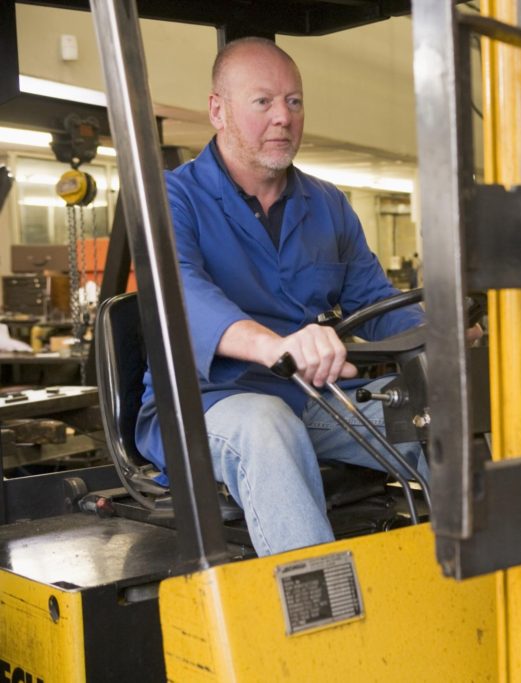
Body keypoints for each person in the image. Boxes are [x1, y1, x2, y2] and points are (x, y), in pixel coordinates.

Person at [135, 37, 426, 557]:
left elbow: (376, 301)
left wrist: (442, 330)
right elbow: (180, 294)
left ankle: (493, 593)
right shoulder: (171, 197)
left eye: (293, 102)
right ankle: (322, 627)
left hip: (315, 398)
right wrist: (277, 346)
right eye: (263, 101)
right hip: (207, 404)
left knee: (444, 414)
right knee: (266, 426)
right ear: (217, 110)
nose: (283, 117)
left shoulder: (328, 204)